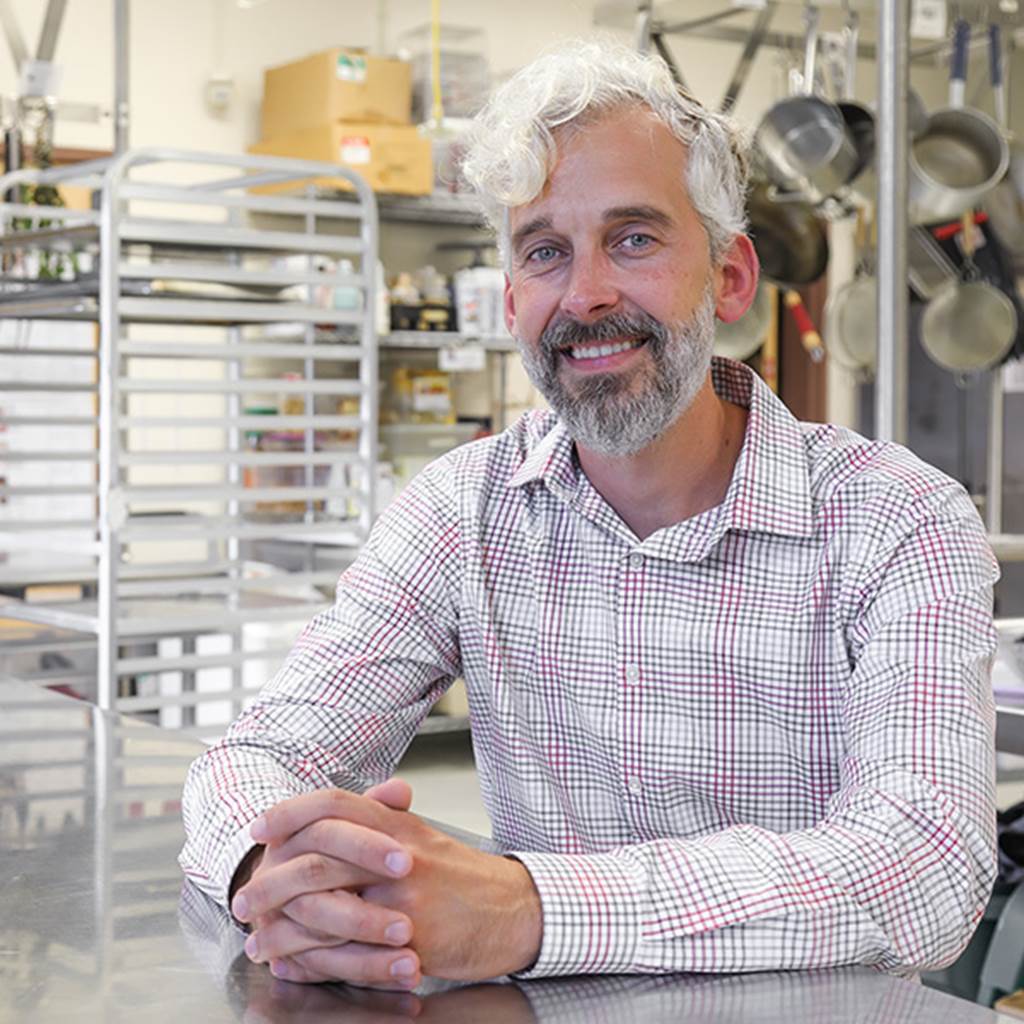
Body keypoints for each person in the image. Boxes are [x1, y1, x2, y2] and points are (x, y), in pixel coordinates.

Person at [180, 39, 999, 991]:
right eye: (545, 252)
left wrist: (527, 909)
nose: (588, 294)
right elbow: (261, 754)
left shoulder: (897, 519)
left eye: (635, 238)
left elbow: (929, 863)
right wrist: (277, 873)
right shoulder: (461, 511)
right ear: (512, 298)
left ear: (729, 278)